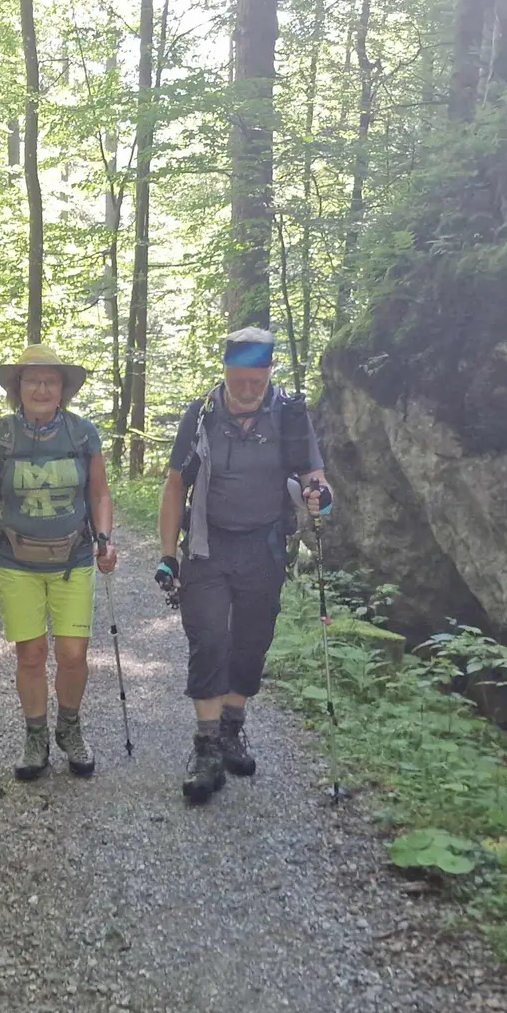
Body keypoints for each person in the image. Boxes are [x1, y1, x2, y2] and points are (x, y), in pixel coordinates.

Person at [156, 326, 332, 804]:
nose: (249, 389)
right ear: (225, 371)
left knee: (252, 641)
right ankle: (207, 746)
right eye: (240, 380)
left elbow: (314, 477)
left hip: (264, 546)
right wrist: (168, 554)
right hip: (207, 545)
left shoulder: (290, 415)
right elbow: (175, 486)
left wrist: (320, 496)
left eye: (258, 379)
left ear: (271, 371)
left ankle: (233, 728)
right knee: (209, 638)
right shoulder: (201, 415)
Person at [0, 344, 120, 779]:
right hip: (16, 560)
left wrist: (105, 539)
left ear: (62, 389)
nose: (41, 388)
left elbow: (99, 494)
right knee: (31, 653)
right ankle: (35, 737)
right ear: (17, 388)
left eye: (50, 381)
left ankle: (69, 728)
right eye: (32, 380)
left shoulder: (82, 433)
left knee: (73, 652)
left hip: (74, 557)